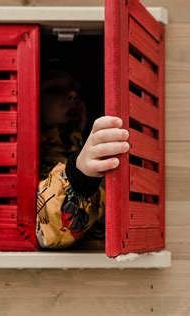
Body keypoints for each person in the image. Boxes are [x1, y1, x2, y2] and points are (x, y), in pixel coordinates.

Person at [36, 71, 130, 248]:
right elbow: (48, 233)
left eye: (76, 89)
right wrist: (81, 176)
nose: (73, 94)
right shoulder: (29, 166)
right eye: (55, 89)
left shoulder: (107, 154)